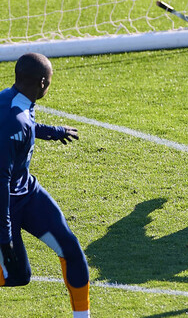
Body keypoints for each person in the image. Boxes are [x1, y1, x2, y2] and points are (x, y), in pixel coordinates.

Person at [0, 53, 90, 318]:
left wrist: (53, 131)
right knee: (19, 275)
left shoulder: (14, 99)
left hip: (26, 192)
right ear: (42, 83)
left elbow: (25, 127)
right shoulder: (12, 119)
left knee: (71, 249)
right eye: (50, 81)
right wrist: (5, 239)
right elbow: (1, 183)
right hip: (4, 202)